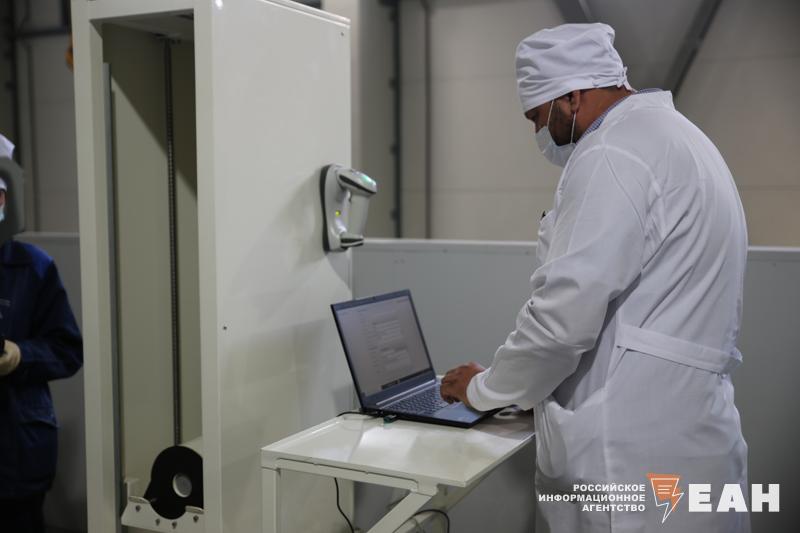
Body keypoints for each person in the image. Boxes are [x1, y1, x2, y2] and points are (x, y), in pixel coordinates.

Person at [440, 23, 749, 532]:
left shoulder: (611, 152)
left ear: (572, 96)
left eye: (537, 116)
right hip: (693, 436)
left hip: (629, 456)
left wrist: (483, 389)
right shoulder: (681, 139)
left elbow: (561, 322)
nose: (538, 133)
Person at [0, 135, 83, 533]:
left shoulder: (33, 267)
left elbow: (67, 349)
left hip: (15, 456)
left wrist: (19, 355)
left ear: (4, 200)